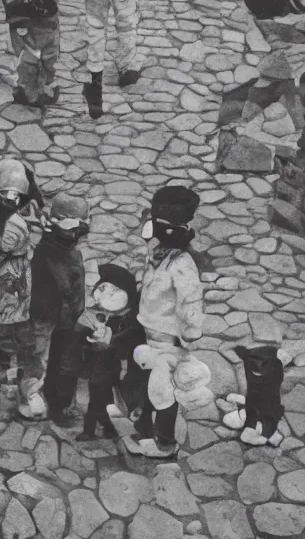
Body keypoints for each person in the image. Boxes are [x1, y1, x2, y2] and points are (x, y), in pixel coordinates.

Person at [127, 185, 204, 458]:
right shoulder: (159, 251)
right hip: (146, 331)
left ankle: (166, 441)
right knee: (145, 385)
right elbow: (148, 279)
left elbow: (189, 300)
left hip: (167, 339)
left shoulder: (183, 263)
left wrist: (191, 332)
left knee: (162, 391)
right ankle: (145, 430)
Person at [0, 158, 46, 421]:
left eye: (16, 195)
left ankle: (30, 387)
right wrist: (0, 248)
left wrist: (25, 242)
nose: (11, 201)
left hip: (24, 290)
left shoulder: (29, 214)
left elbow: (40, 242)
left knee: (27, 340)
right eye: (5, 195)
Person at [29, 194, 90, 426]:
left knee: (60, 358)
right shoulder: (50, 251)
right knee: (47, 359)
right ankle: (52, 403)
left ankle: (59, 400)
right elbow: (64, 287)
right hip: (51, 315)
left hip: (65, 316)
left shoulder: (66, 247)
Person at [75, 263, 146, 441]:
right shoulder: (98, 314)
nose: (105, 295)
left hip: (109, 368)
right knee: (101, 399)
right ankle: (103, 429)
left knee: (100, 399)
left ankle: (93, 430)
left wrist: (122, 366)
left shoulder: (128, 320)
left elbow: (125, 345)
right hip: (99, 366)